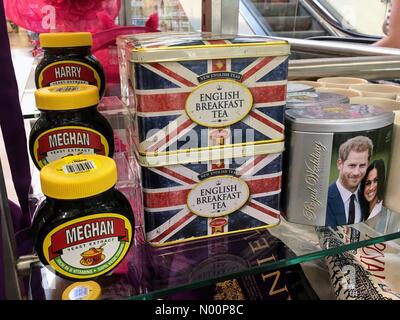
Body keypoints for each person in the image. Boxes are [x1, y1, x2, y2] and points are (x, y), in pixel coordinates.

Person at [326, 136, 373, 227]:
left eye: (362, 165)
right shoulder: (324, 199)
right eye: (352, 165)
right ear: (340, 164)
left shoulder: (367, 196)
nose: (356, 173)